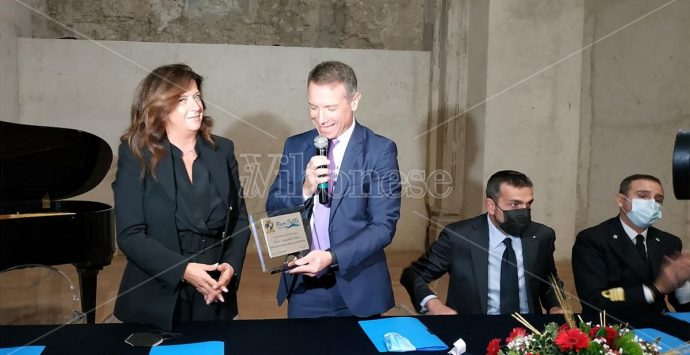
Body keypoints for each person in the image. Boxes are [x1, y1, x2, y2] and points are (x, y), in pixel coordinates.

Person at [112, 64, 250, 330]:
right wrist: (183, 270)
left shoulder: (222, 150)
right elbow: (130, 235)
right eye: (182, 99)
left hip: (213, 293)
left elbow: (240, 220)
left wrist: (230, 267)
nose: (196, 106)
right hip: (155, 294)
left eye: (197, 96)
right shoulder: (135, 153)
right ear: (160, 107)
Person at [266, 60, 401, 318]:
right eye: (313, 107)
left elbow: (383, 226)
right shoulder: (295, 145)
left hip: (357, 286)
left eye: (330, 108)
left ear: (354, 101)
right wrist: (305, 189)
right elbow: (273, 208)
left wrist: (330, 257)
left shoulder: (379, 150)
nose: (321, 118)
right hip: (304, 288)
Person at [400, 170, 563, 315]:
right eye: (515, 204)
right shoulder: (458, 236)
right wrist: (433, 304)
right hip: (474, 327)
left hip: (529, 334)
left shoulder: (542, 236)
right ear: (491, 206)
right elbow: (414, 275)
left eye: (528, 204)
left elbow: (548, 281)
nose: (523, 211)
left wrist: (556, 306)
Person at [572, 174, 690, 315]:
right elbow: (593, 302)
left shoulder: (669, 241)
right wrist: (655, 289)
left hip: (660, 326)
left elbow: (680, 301)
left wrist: (683, 285)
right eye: (643, 196)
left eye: (658, 199)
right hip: (616, 328)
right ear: (621, 200)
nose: (652, 203)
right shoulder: (593, 239)